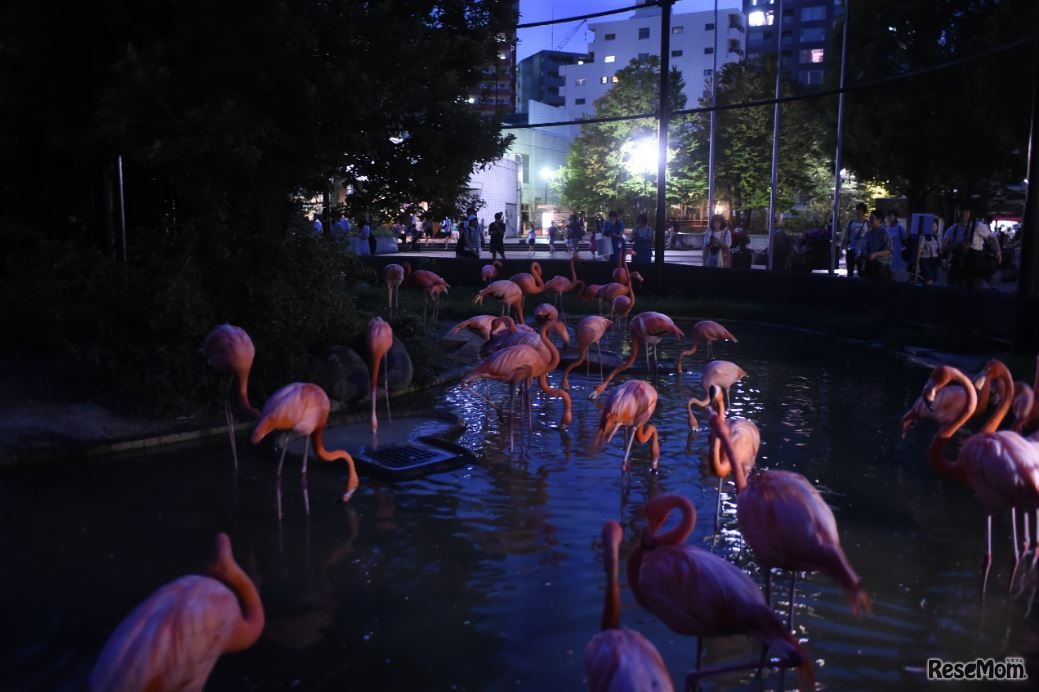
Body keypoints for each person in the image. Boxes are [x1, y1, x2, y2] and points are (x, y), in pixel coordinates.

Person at [941, 204, 1000, 288]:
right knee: (954, 288)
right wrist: (957, 245)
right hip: (958, 264)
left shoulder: (978, 226)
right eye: (961, 211)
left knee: (974, 289)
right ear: (957, 213)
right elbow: (943, 248)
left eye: (966, 211)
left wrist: (998, 251)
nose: (964, 213)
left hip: (975, 264)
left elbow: (992, 239)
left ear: (970, 213)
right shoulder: (953, 228)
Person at [861, 210, 892, 280]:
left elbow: (889, 251)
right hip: (868, 265)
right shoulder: (868, 233)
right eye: (869, 218)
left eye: (872, 218)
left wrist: (875, 254)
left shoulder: (884, 233)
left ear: (879, 220)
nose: (870, 220)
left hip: (880, 266)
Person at [840, 203, 869, 278]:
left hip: (862, 252)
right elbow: (847, 235)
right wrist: (844, 247)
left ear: (864, 212)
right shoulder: (851, 222)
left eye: (860, 210)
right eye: (857, 210)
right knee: (850, 272)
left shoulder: (867, 223)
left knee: (861, 273)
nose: (858, 212)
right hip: (851, 250)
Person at [917, 217, 940, 285]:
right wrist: (917, 264)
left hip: (933, 260)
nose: (934, 228)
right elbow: (919, 250)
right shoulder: (923, 236)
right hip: (925, 260)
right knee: (929, 279)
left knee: (932, 280)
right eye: (932, 226)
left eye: (935, 226)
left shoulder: (935, 237)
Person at [885, 209, 908, 277]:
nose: (889, 217)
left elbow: (905, 239)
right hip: (888, 253)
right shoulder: (886, 228)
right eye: (888, 216)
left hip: (898, 253)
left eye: (891, 216)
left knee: (897, 274)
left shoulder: (900, 227)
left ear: (895, 217)